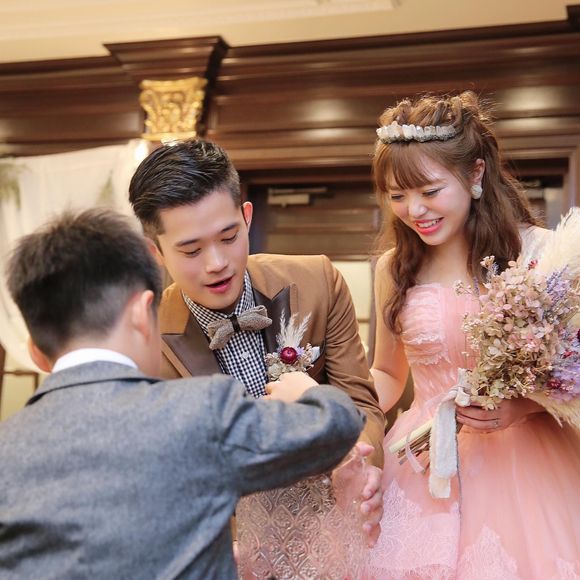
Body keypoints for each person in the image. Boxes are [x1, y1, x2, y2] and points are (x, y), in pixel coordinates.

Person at [0, 208, 366, 579]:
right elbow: (337, 425)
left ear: (34, 351)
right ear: (142, 314)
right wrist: (310, 393)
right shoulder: (198, 411)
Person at [128, 138, 385, 545]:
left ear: (246, 217)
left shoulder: (317, 282)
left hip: (333, 523)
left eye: (229, 237)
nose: (216, 264)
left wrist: (357, 467)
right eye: (191, 251)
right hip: (226, 544)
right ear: (155, 252)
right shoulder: (143, 341)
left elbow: (362, 406)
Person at [367, 92, 580, 578]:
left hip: (527, 462)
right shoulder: (393, 269)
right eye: (397, 196)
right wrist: (337, 415)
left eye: (429, 191)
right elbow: (387, 374)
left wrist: (523, 406)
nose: (414, 210)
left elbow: (574, 369)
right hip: (422, 458)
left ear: (475, 174)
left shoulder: (538, 253)